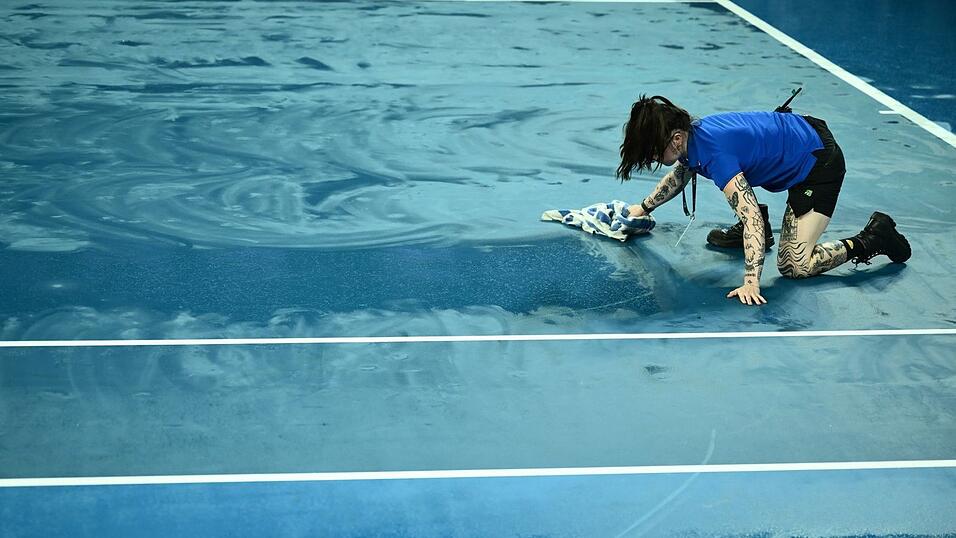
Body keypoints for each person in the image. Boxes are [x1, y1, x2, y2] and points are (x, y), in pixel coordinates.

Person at [616, 95, 911, 306]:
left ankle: (874, 237)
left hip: (818, 163)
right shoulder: (693, 139)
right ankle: (759, 237)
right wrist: (643, 208)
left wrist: (750, 281)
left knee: (795, 265)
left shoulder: (715, 155)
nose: (651, 158)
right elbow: (682, 173)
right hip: (797, 139)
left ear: (677, 138)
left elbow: (752, 217)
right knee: (748, 212)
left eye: (653, 151)